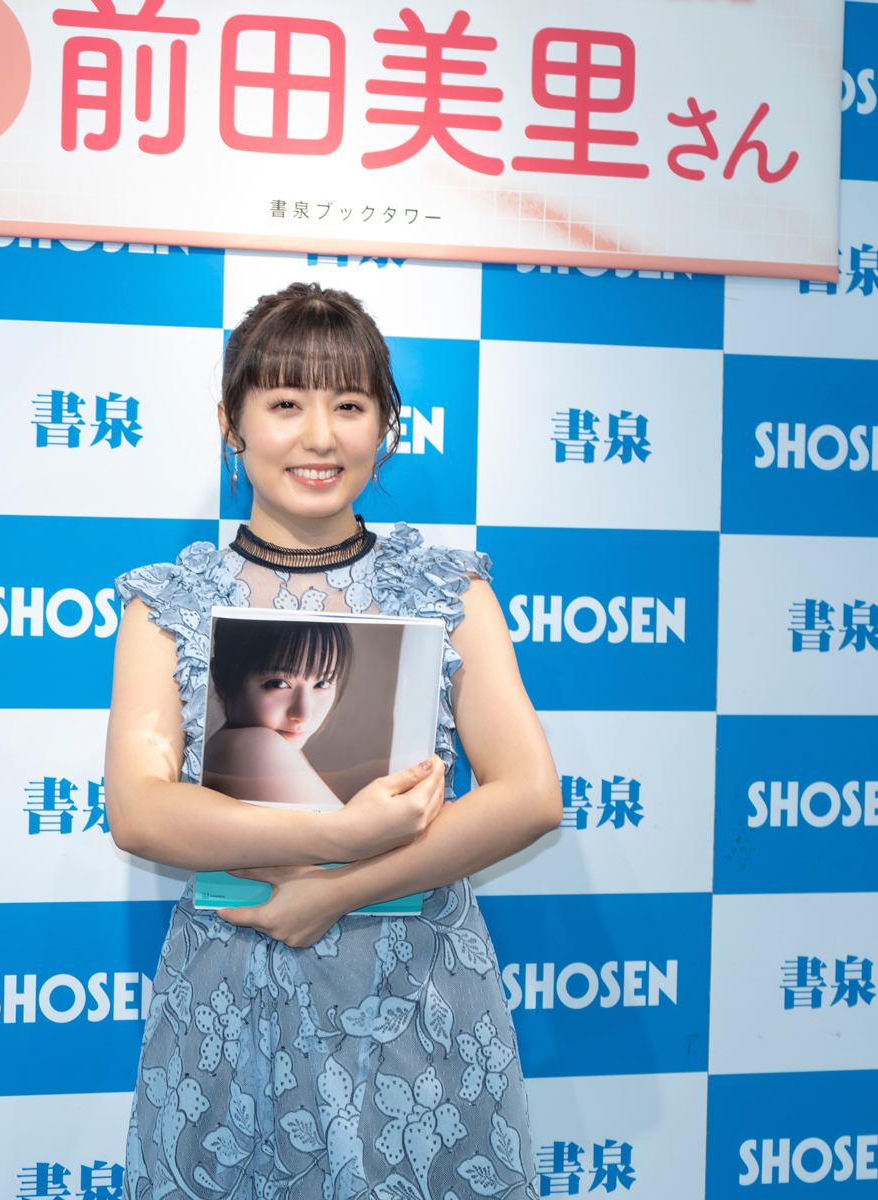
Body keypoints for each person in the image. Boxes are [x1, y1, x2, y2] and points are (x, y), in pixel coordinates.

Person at [106, 281, 562, 1200]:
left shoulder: (449, 589)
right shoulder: (169, 604)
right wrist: (337, 833)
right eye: (285, 404)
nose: (320, 437)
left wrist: (339, 887)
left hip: (418, 997)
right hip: (232, 991)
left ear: (386, 427)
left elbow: (529, 796)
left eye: (350, 406)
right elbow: (141, 811)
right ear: (232, 425)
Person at [203, 618, 351, 807]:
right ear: (220, 677)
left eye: (322, 684)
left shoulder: (263, 746)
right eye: (278, 683)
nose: (304, 715)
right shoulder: (256, 748)